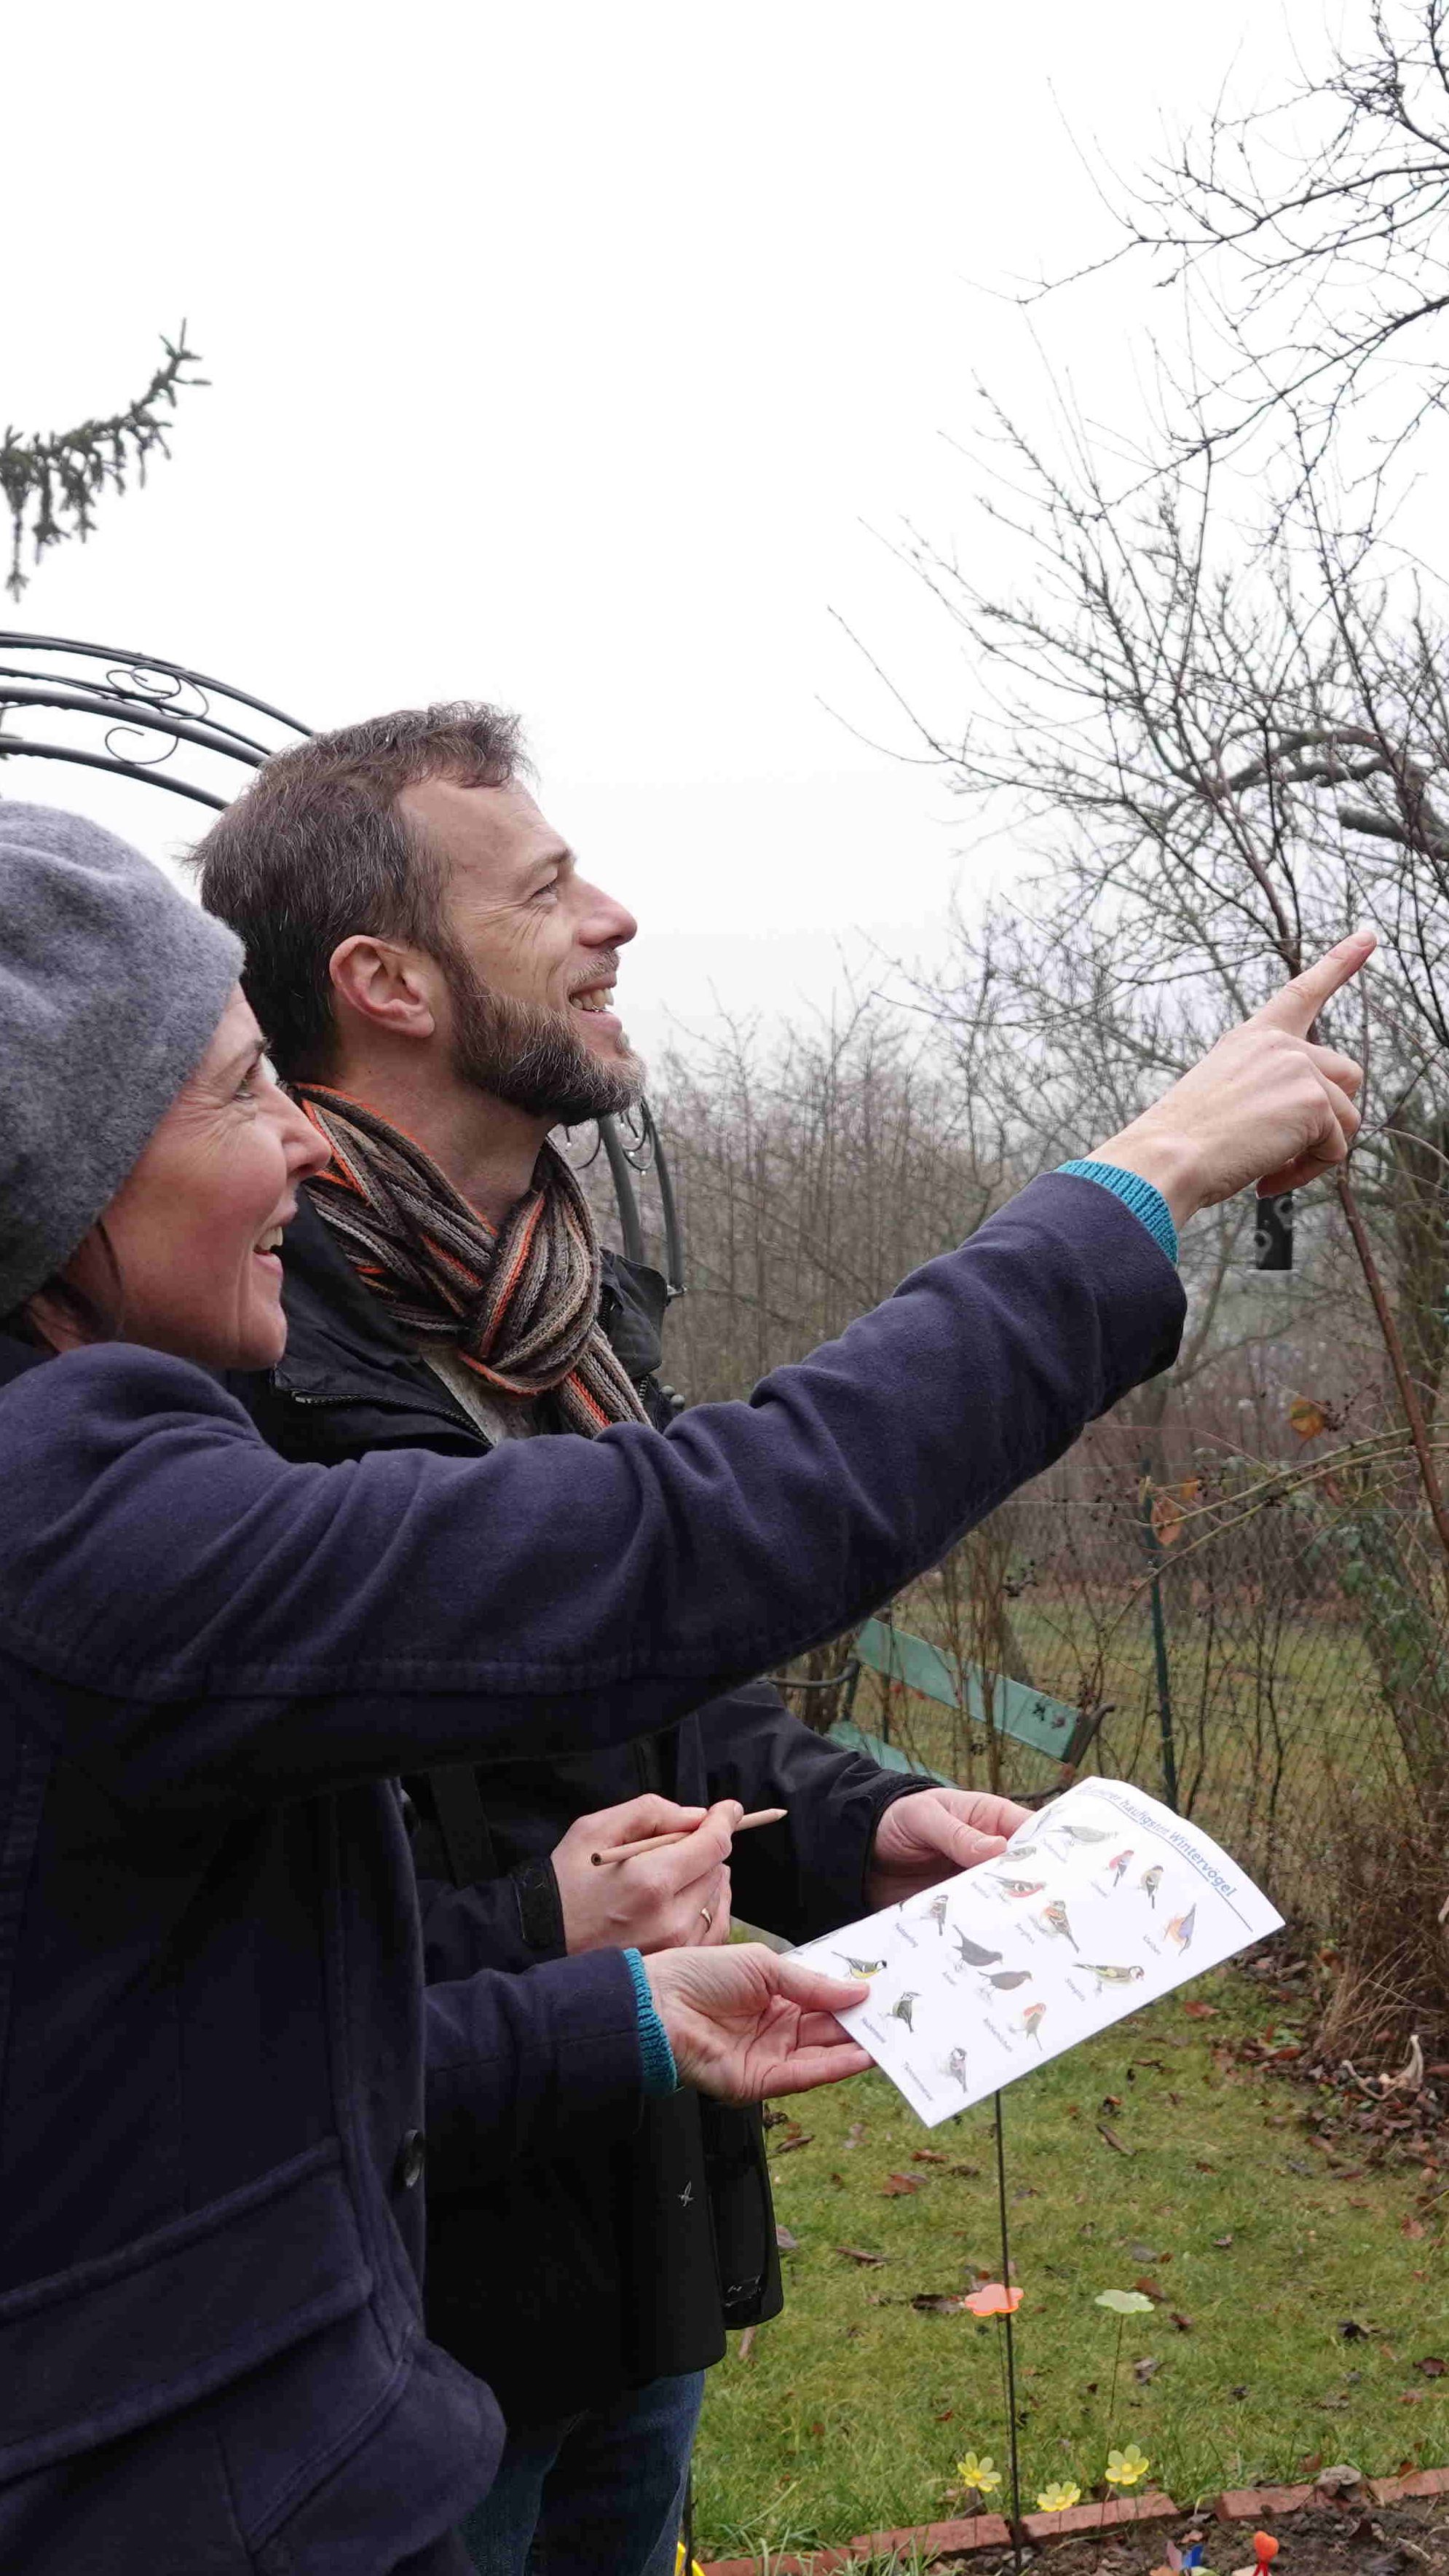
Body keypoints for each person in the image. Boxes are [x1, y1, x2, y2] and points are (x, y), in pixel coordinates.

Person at [0, 799, 1363, 2575]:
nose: (301, 1143)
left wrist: (655, 1991)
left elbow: (214, 2049)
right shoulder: (80, 1504)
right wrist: (1142, 1176)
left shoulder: (532, 1317)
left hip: (444, 2354)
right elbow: (692, 1542)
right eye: (240, 1087)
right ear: (66, 1165)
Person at [195, 705, 1042, 2576]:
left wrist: (858, 1826)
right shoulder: (235, 1356)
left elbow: (658, 1700)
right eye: (547, 890)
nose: (615, 919)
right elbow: (215, 1944)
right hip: (390, 2326)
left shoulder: (570, 1315)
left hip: (636, 2247)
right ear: (387, 981)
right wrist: (537, 1926)